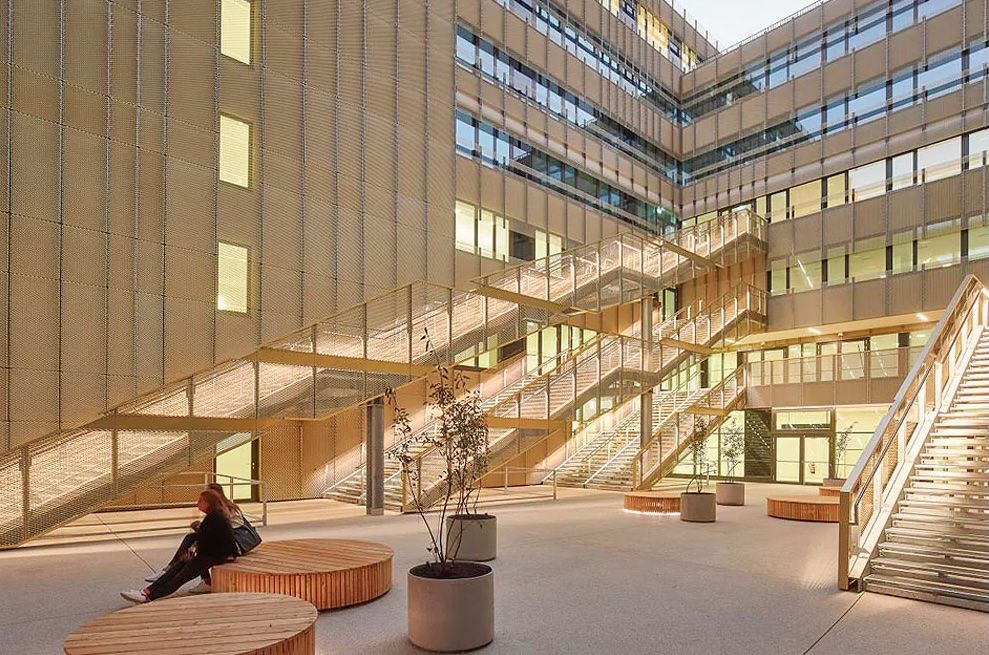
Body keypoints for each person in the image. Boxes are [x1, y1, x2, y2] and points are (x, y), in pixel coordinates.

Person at [120, 489, 234, 604]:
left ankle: (149, 597)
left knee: (180, 577)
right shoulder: (215, 515)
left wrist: (194, 550)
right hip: (209, 553)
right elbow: (207, 539)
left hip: (214, 556)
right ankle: (145, 592)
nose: (197, 503)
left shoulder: (215, 518)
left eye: (201, 501)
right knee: (176, 568)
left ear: (209, 503)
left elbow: (209, 541)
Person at [142, 483, 244, 593]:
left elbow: (218, 534)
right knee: (190, 543)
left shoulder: (222, 511)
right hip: (218, 547)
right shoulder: (216, 513)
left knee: (190, 561)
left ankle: (154, 589)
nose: (197, 503)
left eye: (202, 499)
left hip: (232, 544)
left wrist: (194, 549)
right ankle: (154, 585)